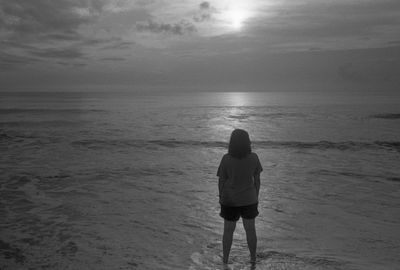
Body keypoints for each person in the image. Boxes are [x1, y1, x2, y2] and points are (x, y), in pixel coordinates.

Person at [217, 129, 263, 266]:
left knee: (228, 231)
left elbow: (221, 180)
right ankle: (253, 259)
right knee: (250, 230)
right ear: (247, 141)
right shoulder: (254, 157)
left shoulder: (226, 158)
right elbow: (257, 180)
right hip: (249, 198)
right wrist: (256, 195)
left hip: (229, 199)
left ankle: (225, 260)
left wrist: (220, 196)